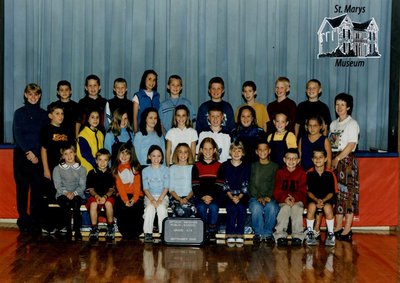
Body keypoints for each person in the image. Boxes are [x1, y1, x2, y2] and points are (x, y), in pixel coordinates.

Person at [13, 83, 48, 234]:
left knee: (36, 191)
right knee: (22, 190)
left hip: (38, 157)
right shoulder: (19, 113)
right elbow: (18, 134)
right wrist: (28, 152)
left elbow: (44, 136)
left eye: (36, 94)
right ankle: (23, 219)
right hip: (22, 156)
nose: (33, 97)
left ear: (39, 96)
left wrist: (35, 153)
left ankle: (35, 220)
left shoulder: (44, 114)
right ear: (25, 95)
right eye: (30, 94)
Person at [328, 93, 360, 242]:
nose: (339, 107)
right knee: (337, 195)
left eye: (342, 104)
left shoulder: (352, 123)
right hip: (335, 159)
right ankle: (338, 226)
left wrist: (339, 158)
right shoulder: (333, 124)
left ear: (348, 107)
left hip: (346, 161)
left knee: (348, 195)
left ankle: (348, 229)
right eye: (337, 104)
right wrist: (332, 159)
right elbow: (332, 144)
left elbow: (351, 144)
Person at [273, 148, 307, 246]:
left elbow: (303, 190)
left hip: (298, 200)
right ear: (284, 159)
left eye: (294, 159)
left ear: (298, 160)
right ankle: (280, 235)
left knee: (297, 209)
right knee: (285, 209)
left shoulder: (302, 173)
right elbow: (277, 190)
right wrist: (285, 198)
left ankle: (297, 235)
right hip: (283, 200)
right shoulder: (280, 172)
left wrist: (294, 198)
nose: (291, 161)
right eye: (288, 158)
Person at [219, 141, 251, 247]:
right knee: (231, 208)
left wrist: (239, 197)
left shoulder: (247, 166)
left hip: (242, 195)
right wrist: (232, 197)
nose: (236, 153)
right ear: (230, 152)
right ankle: (230, 234)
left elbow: (246, 184)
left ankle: (240, 234)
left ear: (243, 153)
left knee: (241, 208)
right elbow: (224, 184)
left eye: (239, 151)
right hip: (228, 195)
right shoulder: (224, 166)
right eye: (234, 150)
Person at [192, 137, 224, 241]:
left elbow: (219, 185)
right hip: (200, 196)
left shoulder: (220, 166)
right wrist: (203, 196)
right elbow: (195, 185)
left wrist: (210, 196)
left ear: (215, 150)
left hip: (215, 196)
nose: (208, 151)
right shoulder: (196, 166)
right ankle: (203, 230)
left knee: (214, 207)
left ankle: (212, 230)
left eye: (210, 149)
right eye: (205, 149)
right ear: (201, 150)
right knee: (201, 207)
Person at [248, 141, 279, 244]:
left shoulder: (274, 167)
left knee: (272, 207)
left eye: (265, 149)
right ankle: (259, 233)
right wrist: (258, 197)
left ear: (269, 151)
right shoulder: (253, 166)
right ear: (256, 152)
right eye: (260, 150)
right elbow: (251, 184)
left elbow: (275, 183)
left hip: (270, 197)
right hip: (255, 197)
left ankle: (268, 234)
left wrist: (269, 197)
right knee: (257, 208)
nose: (262, 152)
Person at [53, 145, 86, 240]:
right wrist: (66, 193)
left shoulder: (82, 169)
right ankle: (68, 230)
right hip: (62, 194)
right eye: (66, 154)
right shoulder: (57, 169)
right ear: (62, 156)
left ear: (75, 153)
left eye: (71, 152)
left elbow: (82, 186)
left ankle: (77, 230)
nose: (69, 156)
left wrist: (74, 193)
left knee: (76, 204)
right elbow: (58, 186)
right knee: (66, 203)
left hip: (77, 193)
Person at [304, 148, 337, 246]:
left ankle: (331, 234)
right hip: (313, 199)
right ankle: (310, 233)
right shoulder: (309, 173)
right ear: (312, 159)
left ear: (326, 159)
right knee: (311, 207)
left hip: (326, 199)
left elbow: (332, 192)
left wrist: (323, 200)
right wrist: (316, 200)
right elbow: (308, 191)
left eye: (321, 157)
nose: (318, 160)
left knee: (327, 208)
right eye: (315, 157)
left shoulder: (330, 174)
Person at [112, 143, 144, 239]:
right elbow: (120, 187)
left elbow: (137, 186)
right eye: (122, 153)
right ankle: (124, 230)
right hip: (122, 195)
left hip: (136, 195)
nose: (124, 156)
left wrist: (133, 200)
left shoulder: (135, 168)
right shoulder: (116, 169)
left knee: (136, 208)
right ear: (118, 154)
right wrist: (126, 201)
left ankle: (137, 231)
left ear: (131, 155)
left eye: (127, 153)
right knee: (122, 207)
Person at [86, 149, 115, 242]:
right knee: (93, 204)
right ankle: (94, 229)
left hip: (107, 196)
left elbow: (111, 189)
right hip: (95, 196)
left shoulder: (111, 173)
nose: (102, 162)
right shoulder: (91, 173)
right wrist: (97, 196)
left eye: (105, 160)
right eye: (100, 160)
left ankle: (110, 227)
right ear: (96, 161)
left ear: (109, 161)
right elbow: (91, 189)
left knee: (108, 204)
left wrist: (105, 197)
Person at [142, 145, 170, 243]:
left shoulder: (166, 169)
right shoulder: (145, 171)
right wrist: (152, 200)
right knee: (149, 209)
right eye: (153, 156)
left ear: (162, 157)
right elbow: (145, 188)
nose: (156, 158)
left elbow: (166, 187)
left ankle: (163, 233)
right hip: (149, 196)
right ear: (149, 157)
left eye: (158, 156)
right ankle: (148, 233)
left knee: (161, 209)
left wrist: (160, 200)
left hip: (163, 196)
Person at [169, 143, 196, 218]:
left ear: (189, 154)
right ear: (176, 154)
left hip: (190, 197)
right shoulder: (172, 168)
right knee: (181, 210)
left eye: (185, 152)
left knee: (191, 209)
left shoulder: (193, 168)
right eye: (180, 152)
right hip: (175, 198)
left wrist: (186, 198)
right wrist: (179, 199)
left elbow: (194, 187)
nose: (183, 154)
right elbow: (171, 189)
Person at [76, 109, 105, 174]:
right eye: (92, 117)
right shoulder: (83, 135)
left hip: (99, 168)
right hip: (87, 171)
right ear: (88, 119)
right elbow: (86, 154)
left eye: (97, 117)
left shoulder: (100, 134)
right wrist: (98, 165)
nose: (95, 120)